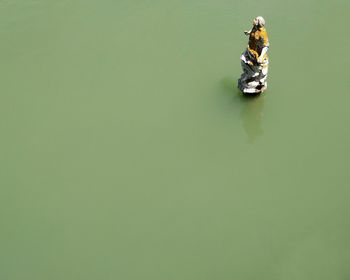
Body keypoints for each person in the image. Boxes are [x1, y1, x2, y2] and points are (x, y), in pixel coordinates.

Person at [238, 16, 269, 94]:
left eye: (255, 19)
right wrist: (248, 33)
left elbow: (266, 45)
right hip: (251, 50)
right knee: (246, 63)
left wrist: (261, 56)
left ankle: (257, 82)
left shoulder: (263, 33)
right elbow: (252, 31)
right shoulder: (255, 27)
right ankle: (249, 76)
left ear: (259, 22)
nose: (254, 20)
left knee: (256, 70)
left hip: (257, 53)